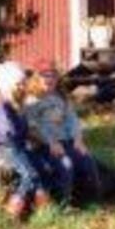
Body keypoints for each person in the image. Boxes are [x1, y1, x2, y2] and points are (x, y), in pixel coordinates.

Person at [24, 59, 101, 204]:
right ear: (37, 78)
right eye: (44, 75)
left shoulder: (61, 97)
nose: (49, 79)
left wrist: (78, 139)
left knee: (87, 160)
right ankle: (62, 203)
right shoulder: (32, 100)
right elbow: (33, 127)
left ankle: (92, 200)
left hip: (67, 141)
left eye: (52, 75)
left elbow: (72, 119)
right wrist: (51, 142)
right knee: (66, 165)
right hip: (45, 145)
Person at [0, 61, 52, 219]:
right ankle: (12, 212)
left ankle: (43, 211)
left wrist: (39, 138)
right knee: (29, 175)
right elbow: (8, 132)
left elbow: (24, 129)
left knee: (43, 167)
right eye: (19, 84)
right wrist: (28, 137)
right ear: (8, 84)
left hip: (18, 144)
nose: (23, 87)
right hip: (5, 147)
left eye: (23, 83)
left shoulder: (13, 101)